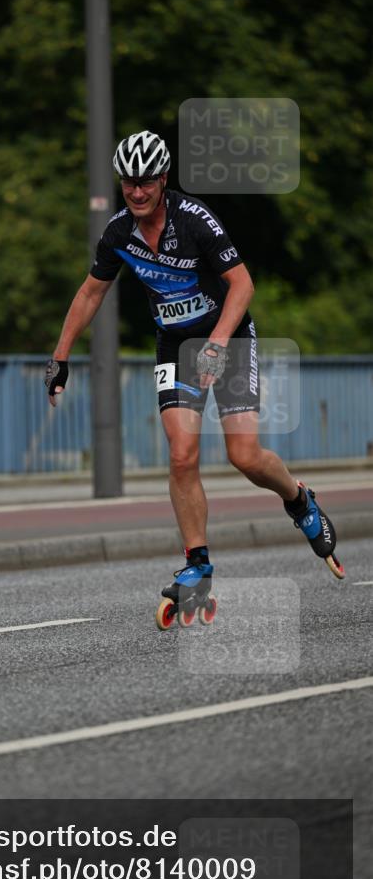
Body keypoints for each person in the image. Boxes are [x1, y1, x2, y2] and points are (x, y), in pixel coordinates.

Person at [45, 131, 344, 628]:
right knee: (182, 453)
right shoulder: (118, 233)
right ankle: (197, 565)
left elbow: (242, 284)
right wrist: (60, 358)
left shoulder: (195, 220)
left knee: (243, 456)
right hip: (176, 347)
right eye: (128, 183)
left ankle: (298, 498)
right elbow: (91, 293)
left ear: (163, 179)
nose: (137, 192)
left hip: (228, 336)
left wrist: (218, 344)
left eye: (146, 182)